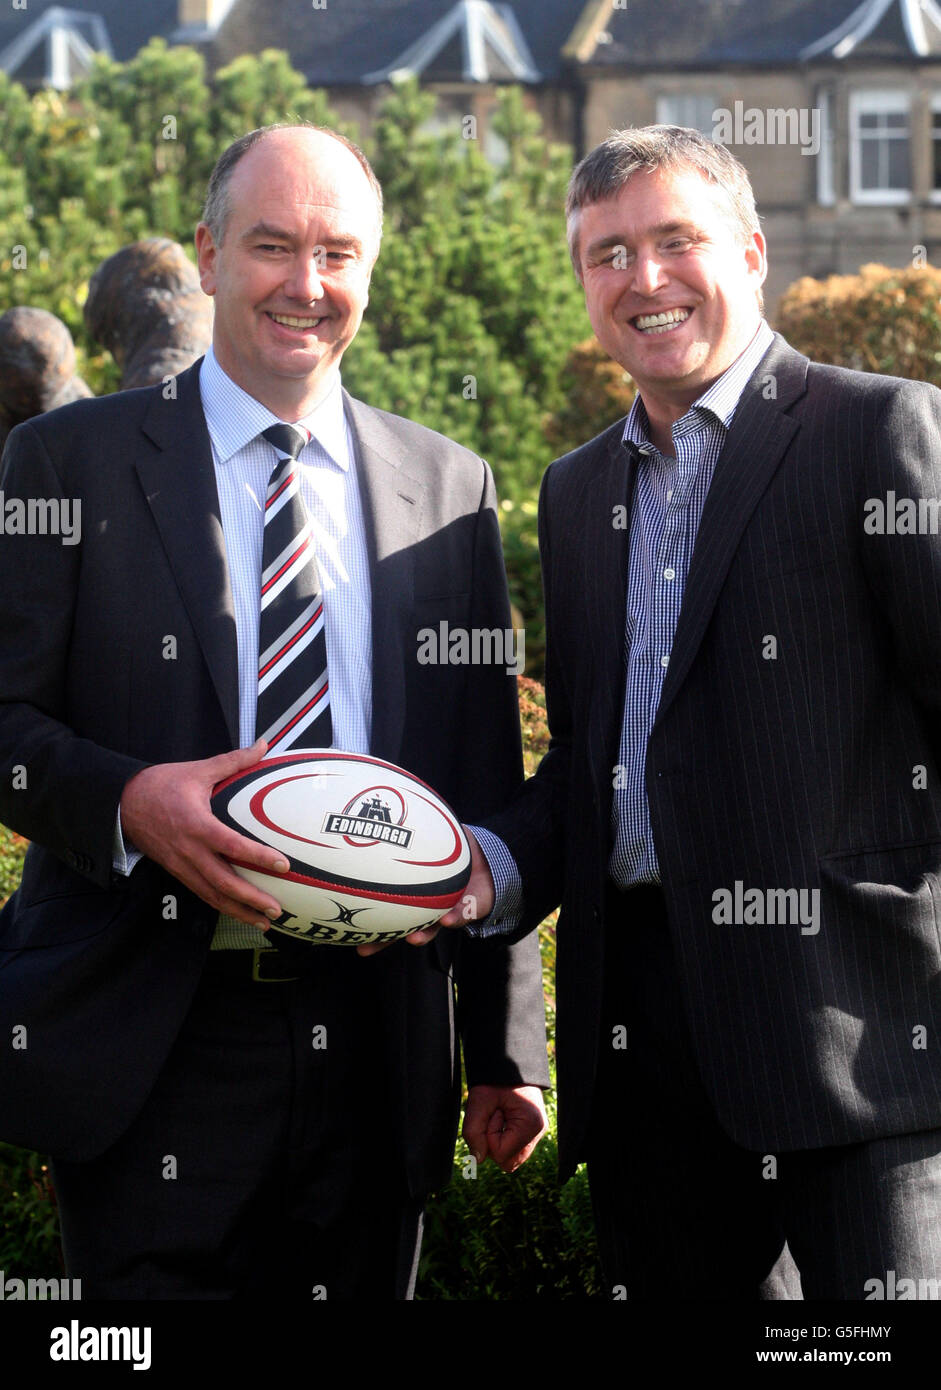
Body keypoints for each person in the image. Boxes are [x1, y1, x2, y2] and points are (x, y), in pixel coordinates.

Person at [0, 124, 548, 1300]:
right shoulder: (64, 464)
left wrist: (507, 1053)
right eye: (271, 246)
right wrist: (130, 803)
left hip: (375, 1047)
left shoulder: (447, 488)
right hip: (149, 1042)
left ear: (370, 270)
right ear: (205, 255)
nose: (307, 285)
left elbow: (482, 782)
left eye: (338, 253)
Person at [433, 124, 941, 1299]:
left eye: (674, 240)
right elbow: (591, 765)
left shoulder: (878, 431)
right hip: (645, 1054)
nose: (641, 278)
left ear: (752, 251)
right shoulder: (572, 492)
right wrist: (479, 876)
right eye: (606, 253)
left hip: (855, 1042)